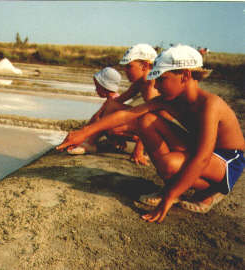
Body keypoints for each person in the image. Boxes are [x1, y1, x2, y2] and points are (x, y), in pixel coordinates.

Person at [57, 44, 245, 223]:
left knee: (171, 164)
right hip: (200, 149)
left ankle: (210, 191)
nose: (156, 87)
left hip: (227, 158)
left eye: (162, 79)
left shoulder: (210, 104)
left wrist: (170, 196)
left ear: (185, 76)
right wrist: (84, 132)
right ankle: (174, 184)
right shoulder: (170, 100)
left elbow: (203, 157)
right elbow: (128, 113)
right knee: (146, 120)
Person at [68, 44, 160, 165]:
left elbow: (151, 120)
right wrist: (84, 132)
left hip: (158, 130)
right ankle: (89, 142)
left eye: (129, 67)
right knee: (111, 106)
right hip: (148, 125)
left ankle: (90, 141)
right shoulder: (140, 83)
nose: (125, 71)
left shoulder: (151, 85)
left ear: (145, 66)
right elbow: (115, 102)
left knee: (114, 127)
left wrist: (138, 151)